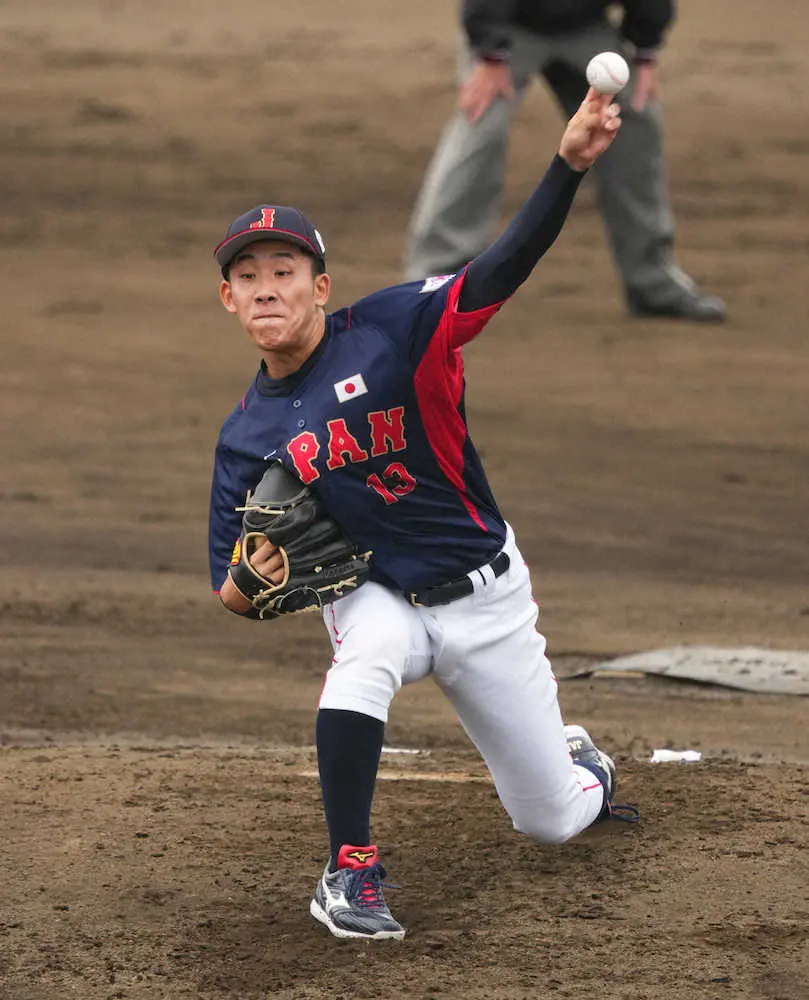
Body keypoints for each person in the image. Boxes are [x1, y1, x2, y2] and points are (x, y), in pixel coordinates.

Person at [208, 88, 637, 944]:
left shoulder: (396, 329)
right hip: (380, 594)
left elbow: (498, 269)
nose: (265, 291)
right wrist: (252, 585)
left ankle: (577, 764)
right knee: (359, 659)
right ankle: (349, 870)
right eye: (246, 278)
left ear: (319, 286)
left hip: (485, 597)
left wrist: (568, 165)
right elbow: (228, 583)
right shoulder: (244, 436)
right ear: (227, 300)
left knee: (550, 820)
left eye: (282, 273)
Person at [403, 0, 726, 322]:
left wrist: (645, 51)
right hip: (510, 26)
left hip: (588, 29)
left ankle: (653, 283)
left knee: (635, 124)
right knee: (480, 127)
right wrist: (489, 54)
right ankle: (437, 287)